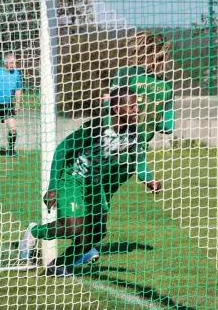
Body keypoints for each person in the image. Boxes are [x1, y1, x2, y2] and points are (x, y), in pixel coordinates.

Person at [19, 88, 162, 278]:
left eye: (137, 106)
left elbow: (137, 160)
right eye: (132, 106)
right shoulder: (95, 128)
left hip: (95, 185)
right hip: (73, 179)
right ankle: (34, 232)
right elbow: (62, 150)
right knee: (73, 228)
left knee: (96, 232)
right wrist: (53, 186)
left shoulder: (134, 133)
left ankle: (59, 266)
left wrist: (149, 179)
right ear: (117, 109)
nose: (137, 110)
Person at [74, 31, 175, 266]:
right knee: (94, 197)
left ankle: (83, 246)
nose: (160, 63)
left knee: (101, 199)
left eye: (162, 59)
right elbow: (166, 126)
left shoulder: (132, 76)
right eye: (157, 58)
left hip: (130, 155)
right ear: (145, 56)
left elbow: (167, 126)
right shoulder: (159, 85)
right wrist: (151, 115)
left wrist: (146, 114)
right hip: (111, 148)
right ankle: (80, 245)